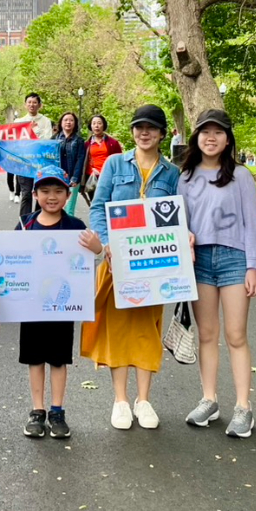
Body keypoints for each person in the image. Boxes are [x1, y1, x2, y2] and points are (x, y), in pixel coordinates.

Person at [0, 166, 102, 438]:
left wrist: (97, 248)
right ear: (34, 194)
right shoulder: (25, 224)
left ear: (68, 194)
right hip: (31, 307)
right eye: (45, 191)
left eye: (58, 191)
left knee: (58, 360)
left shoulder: (75, 227)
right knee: (34, 359)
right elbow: (8, 256)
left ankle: (57, 410)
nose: (52, 196)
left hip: (62, 308)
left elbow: (94, 257)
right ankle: (38, 410)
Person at [81, 104, 181, 430]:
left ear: (162, 133)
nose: (144, 132)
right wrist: (107, 243)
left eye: (151, 127)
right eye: (139, 127)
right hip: (117, 262)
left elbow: (177, 217)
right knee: (118, 330)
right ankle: (121, 400)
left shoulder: (173, 173)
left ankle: (144, 400)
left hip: (154, 265)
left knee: (147, 330)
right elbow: (99, 207)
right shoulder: (114, 164)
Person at [179, 109, 256, 437]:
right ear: (196, 137)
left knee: (236, 335)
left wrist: (253, 266)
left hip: (234, 260)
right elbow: (179, 222)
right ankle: (209, 399)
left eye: (218, 132)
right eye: (205, 132)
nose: (211, 138)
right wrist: (184, 237)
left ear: (228, 140)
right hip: (199, 261)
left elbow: (251, 222)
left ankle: (243, 407)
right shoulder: (186, 177)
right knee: (207, 334)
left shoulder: (240, 176)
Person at [14, 92, 54, 217]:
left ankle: (39, 219)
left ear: (39, 105)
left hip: (41, 163)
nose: (32, 105)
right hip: (24, 163)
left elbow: (47, 140)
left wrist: (34, 129)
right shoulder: (19, 122)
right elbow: (15, 142)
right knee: (26, 193)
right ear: (25, 105)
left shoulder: (46, 121)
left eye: (35, 102)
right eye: (29, 102)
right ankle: (25, 221)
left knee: (40, 192)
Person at [79, 114, 122, 209]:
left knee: (108, 203)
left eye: (99, 123)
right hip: (92, 178)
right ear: (91, 126)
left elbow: (119, 161)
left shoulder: (113, 143)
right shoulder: (87, 144)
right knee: (96, 204)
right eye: (94, 123)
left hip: (108, 176)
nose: (96, 126)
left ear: (104, 125)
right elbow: (83, 161)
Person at [54, 110, 84, 207]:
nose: (68, 122)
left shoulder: (79, 140)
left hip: (72, 178)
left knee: (69, 207)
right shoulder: (54, 139)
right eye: (65, 120)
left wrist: (75, 178)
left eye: (71, 120)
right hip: (57, 177)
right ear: (61, 122)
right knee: (57, 205)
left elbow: (80, 160)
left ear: (75, 124)